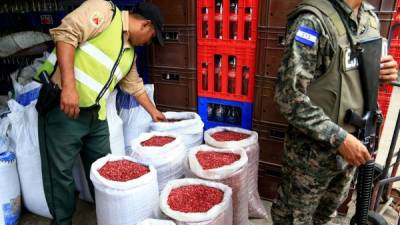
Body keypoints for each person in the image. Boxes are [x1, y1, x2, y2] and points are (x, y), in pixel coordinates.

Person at [34, 1, 166, 224]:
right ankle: (62, 222)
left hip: (96, 117)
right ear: (146, 25)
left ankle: (109, 218)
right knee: (61, 175)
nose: (148, 44)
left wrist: (154, 112)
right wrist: (69, 86)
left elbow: (134, 85)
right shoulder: (104, 11)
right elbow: (66, 34)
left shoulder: (129, 53)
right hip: (63, 109)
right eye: (152, 38)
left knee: (107, 171)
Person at [272, 0, 398, 224]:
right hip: (311, 157)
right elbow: (288, 97)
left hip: (352, 147)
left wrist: (381, 74)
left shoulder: (369, 19)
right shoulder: (312, 22)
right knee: (293, 219)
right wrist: (340, 139)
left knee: (325, 216)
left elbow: (354, 79)